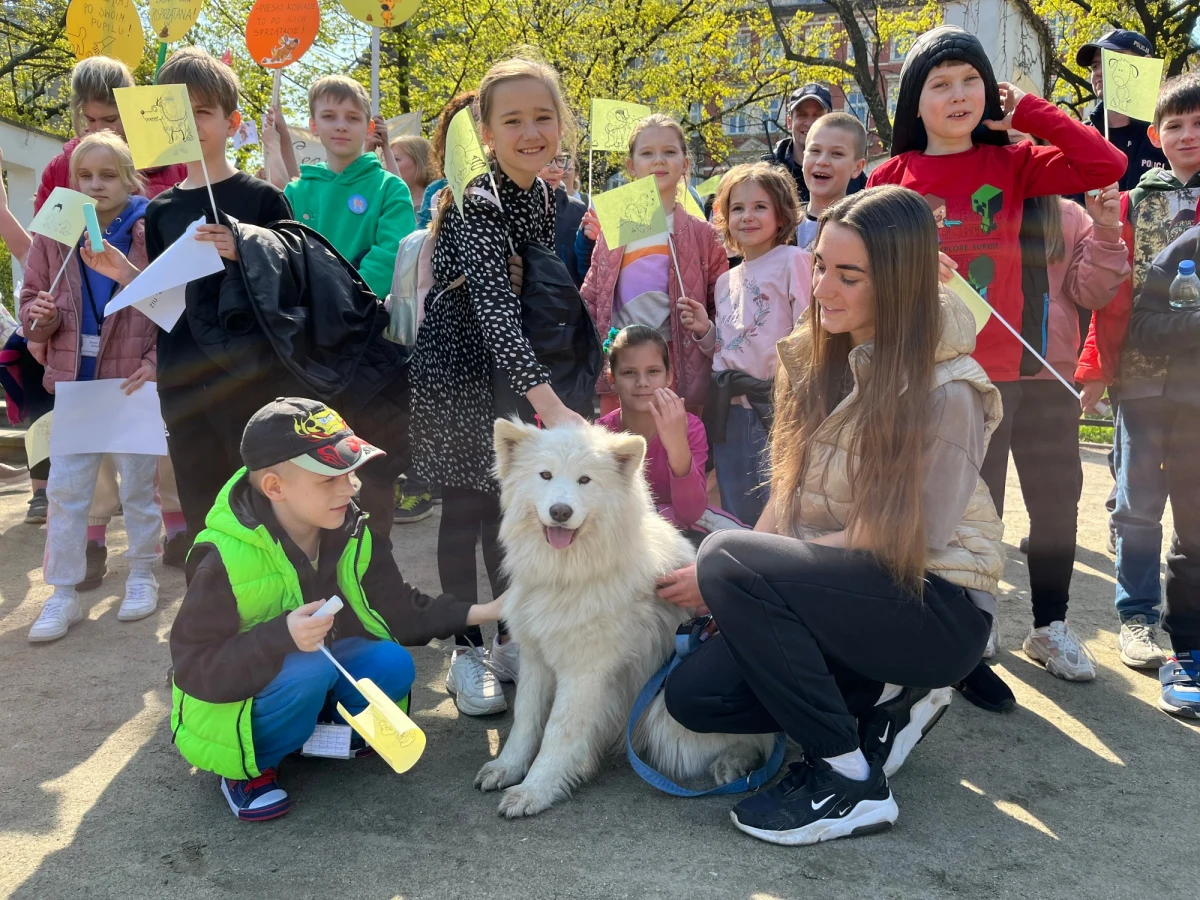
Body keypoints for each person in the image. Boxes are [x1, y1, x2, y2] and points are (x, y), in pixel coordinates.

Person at [657, 185, 1002, 846]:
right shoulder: (809, 357)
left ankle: (848, 779)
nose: (821, 289)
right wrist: (731, 592)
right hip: (840, 589)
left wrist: (737, 573)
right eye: (819, 267)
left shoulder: (947, 388)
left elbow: (897, 537)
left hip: (933, 603)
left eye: (848, 275)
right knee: (695, 697)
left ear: (899, 282)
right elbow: (785, 495)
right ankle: (883, 704)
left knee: (725, 557)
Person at [168, 398, 502, 820]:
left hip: (309, 673)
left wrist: (489, 610)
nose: (351, 487)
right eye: (329, 478)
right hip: (230, 707)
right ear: (275, 487)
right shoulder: (222, 558)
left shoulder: (351, 527)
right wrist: (280, 636)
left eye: (350, 471)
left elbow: (397, 607)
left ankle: (312, 734)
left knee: (392, 663)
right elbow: (193, 669)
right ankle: (246, 770)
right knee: (310, 669)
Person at [409, 56, 587, 717]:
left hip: (508, 371)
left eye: (543, 117)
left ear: (562, 123)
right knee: (467, 511)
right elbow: (492, 307)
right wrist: (550, 405)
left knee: (509, 512)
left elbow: (529, 290)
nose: (530, 132)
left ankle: (511, 637)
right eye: (512, 120)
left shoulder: (543, 196)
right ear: (485, 132)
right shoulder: (478, 201)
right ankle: (465, 650)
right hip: (458, 371)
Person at [1077, 74, 1200, 676]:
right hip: (1142, 374)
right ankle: (1137, 613)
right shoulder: (1129, 203)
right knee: (1136, 503)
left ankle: (1187, 618)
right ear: (1155, 136)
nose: (1187, 135)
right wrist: (1096, 368)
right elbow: (1110, 299)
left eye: (1199, 124)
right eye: (1175, 125)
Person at [19, 132, 162, 642]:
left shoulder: (152, 227)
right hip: (76, 384)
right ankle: (62, 592)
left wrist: (156, 362)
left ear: (130, 179)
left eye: (108, 175)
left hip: (131, 383)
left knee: (139, 489)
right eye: (85, 175)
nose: (96, 185)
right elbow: (32, 301)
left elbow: (171, 303)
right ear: (72, 180)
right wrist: (40, 317)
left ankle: (142, 574)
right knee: (65, 492)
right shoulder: (56, 228)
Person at [148, 47, 294, 543]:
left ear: (231, 123)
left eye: (202, 111)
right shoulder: (159, 210)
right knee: (200, 503)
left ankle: (280, 588)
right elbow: (162, 298)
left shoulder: (263, 199)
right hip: (182, 377)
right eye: (177, 112)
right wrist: (123, 274)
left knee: (260, 498)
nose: (190, 124)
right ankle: (210, 589)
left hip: (249, 374)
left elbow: (292, 284)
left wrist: (244, 249)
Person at [994, 179, 1129, 680]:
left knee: (1055, 507)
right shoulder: (974, 201)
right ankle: (974, 615)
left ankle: (1049, 625)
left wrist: (1108, 230)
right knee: (975, 504)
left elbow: (1091, 292)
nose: (1017, 145)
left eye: (1029, 140)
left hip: (1051, 376)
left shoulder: (1069, 216)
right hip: (980, 371)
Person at [681, 162, 810, 525]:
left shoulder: (794, 261)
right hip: (729, 409)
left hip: (776, 407)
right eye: (737, 208)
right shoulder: (725, 280)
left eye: (760, 206)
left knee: (778, 507)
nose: (747, 216)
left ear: (781, 214)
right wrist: (705, 330)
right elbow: (726, 348)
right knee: (736, 502)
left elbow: (809, 331)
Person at [579, 114, 728, 416]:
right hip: (621, 362)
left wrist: (705, 331)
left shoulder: (703, 235)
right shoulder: (615, 225)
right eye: (647, 153)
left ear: (685, 164)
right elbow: (593, 297)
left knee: (676, 442)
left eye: (669, 152)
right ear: (631, 166)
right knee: (621, 442)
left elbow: (722, 306)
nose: (658, 160)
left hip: (678, 365)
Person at [1127, 203, 1200, 719]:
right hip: (1192, 415)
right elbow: (1144, 327)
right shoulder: (1190, 246)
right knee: (1196, 540)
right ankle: (1189, 655)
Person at [283, 76, 415, 301]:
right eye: (329, 116)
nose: (341, 126)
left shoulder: (390, 188)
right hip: (307, 314)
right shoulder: (294, 193)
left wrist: (345, 300)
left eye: (353, 118)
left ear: (369, 128)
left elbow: (392, 254)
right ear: (313, 125)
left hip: (367, 313)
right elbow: (284, 256)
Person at [34, 55, 188, 212]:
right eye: (91, 120)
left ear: (131, 109)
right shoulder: (60, 168)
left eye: (110, 119)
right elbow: (43, 228)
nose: (100, 130)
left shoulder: (177, 163)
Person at [597, 325, 709, 534]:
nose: (642, 382)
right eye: (629, 373)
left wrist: (677, 446)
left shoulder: (690, 427)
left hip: (680, 536)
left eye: (653, 371)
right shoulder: (601, 434)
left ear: (669, 376)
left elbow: (691, 513)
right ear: (612, 379)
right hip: (619, 537)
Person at [1077, 29, 1168, 193]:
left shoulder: (1169, 135)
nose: (1099, 71)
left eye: (1111, 60)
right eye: (1095, 65)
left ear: (1145, 66)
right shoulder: (1080, 136)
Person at [764, 83, 867, 204]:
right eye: (802, 115)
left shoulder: (854, 177)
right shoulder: (768, 173)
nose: (809, 123)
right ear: (789, 121)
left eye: (817, 116)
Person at [797, 113, 867, 252]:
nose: (822, 161)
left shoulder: (864, 231)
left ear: (857, 168)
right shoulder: (780, 224)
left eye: (837, 154)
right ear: (804, 158)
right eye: (815, 151)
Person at [415, 92, 478, 230]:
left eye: (481, 119)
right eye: (469, 120)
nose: (477, 127)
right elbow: (424, 235)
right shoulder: (436, 191)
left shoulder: (512, 182)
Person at [538, 151, 588, 285]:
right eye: (547, 160)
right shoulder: (509, 209)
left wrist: (589, 244)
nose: (555, 168)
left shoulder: (578, 210)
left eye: (560, 160)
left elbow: (588, 274)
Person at [389, 134, 436, 224]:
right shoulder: (387, 201)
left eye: (396, 159)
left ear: (420, 162)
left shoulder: (438, 202)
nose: (388, 165)